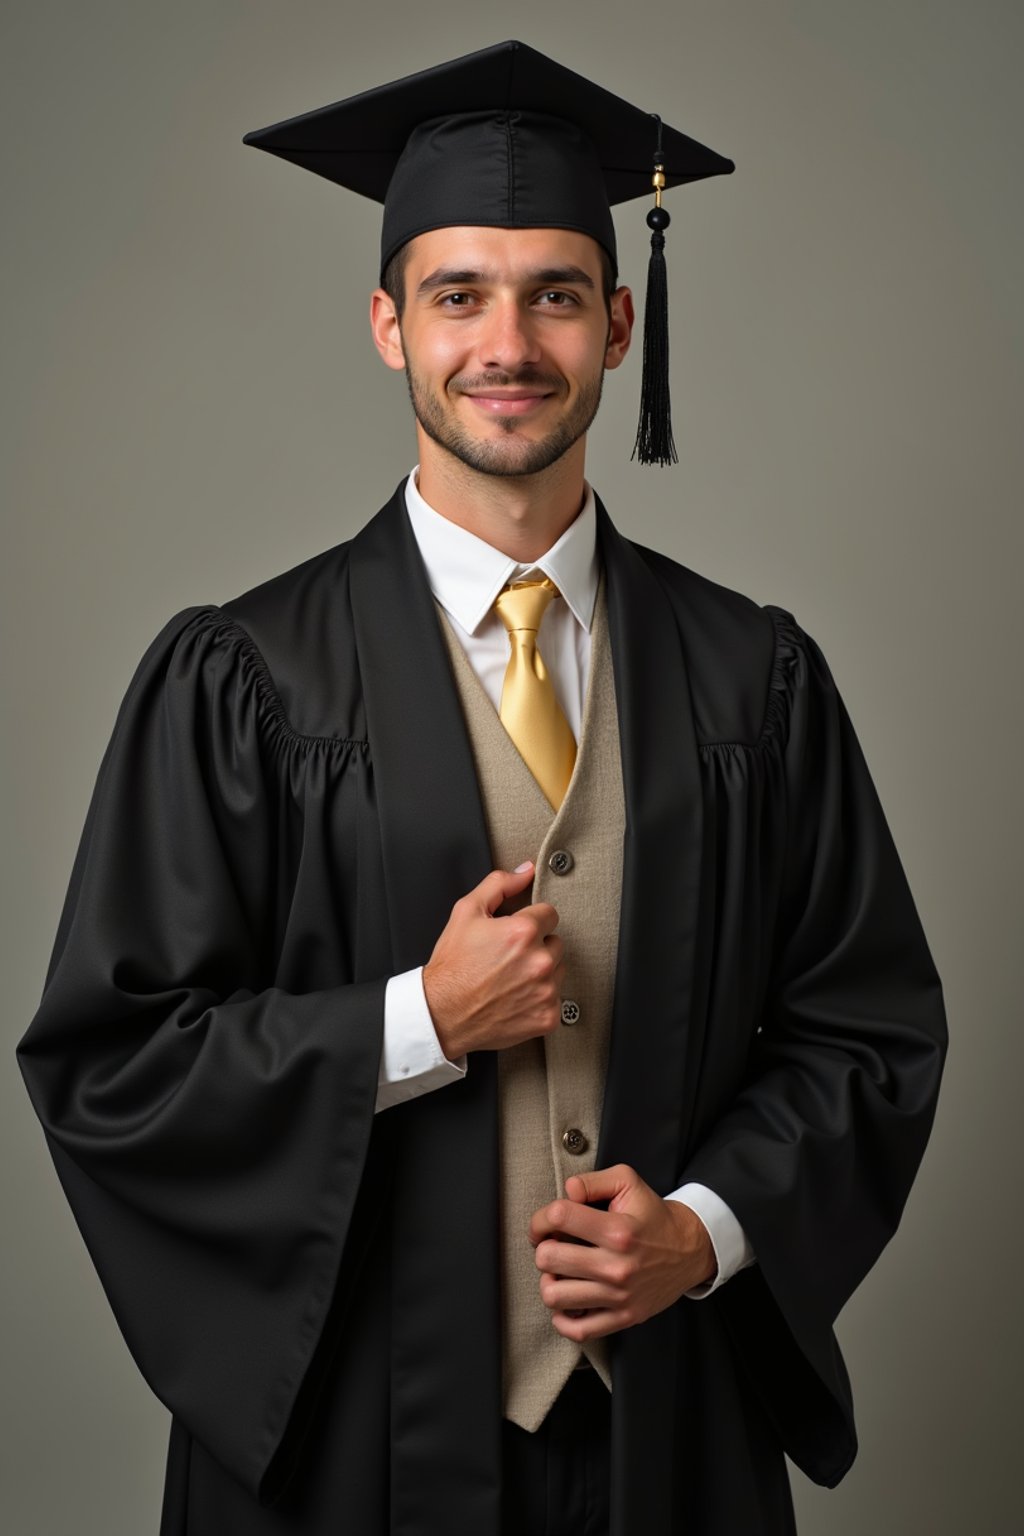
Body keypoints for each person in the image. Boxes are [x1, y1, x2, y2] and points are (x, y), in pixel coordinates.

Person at [16, 39, 947, 1536]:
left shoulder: (749, 682)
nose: (505, 341)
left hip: (665, 1435)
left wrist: (702, 1236)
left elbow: (866, 1030)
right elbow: (112, 1063)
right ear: (388, 325)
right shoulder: (247, 681)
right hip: (348, 1441)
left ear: (619, 326)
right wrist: (418, 1023)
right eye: (458, 294)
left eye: (555, 294)